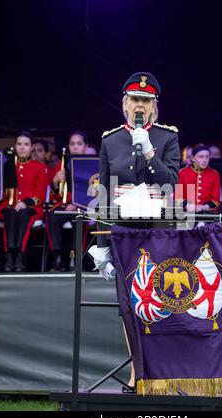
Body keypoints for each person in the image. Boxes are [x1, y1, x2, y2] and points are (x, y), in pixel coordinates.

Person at [91, 71, 180, 391]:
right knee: (129, 304)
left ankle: (163, 374)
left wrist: (148, 152)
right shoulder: (109, 139)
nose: (140, 106)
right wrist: (100, 241)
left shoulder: (166, 137)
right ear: (124, 104)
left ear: (154, 107)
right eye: (135, 100)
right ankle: (138, 373)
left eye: (146, 101)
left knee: (158, 298)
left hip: (156, 230)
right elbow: (103, 191)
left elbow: (170, 184)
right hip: (123, 232)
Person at [0, 131, 48, 272]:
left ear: (32, 147)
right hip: (9, 205)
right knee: (11, 213)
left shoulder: (40, 167)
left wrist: (25, 202)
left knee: (23, 214)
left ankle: (20, 254)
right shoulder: (7, 165)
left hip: (31, 206)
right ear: (15, 146)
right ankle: (9, 255)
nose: (22, 147)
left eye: (26, 144)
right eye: (19, 144)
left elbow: (40, 194)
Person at [46, 130, 88, 271]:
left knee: (79, 218)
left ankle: (76, 257)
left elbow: (94, 191)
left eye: (79, 144)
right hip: (64, 206)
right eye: (72, 144)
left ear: (85, 146)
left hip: (83, 207)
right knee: (53, 217)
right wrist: (55, 181)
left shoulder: (90, 164)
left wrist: (76, 204)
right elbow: (54, 195)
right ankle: (57, 256)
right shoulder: (62, 165)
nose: (75, 147)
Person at [176, 143, 221, 213]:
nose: (204, 160)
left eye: (207, 157)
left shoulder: (214, 174)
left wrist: (205, 206)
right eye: (201, 157)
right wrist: (188, 205)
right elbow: (177, 197)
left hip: (207, 215)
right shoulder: (182, 173)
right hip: (186, 214)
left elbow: (216, 200)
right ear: (193, 158)